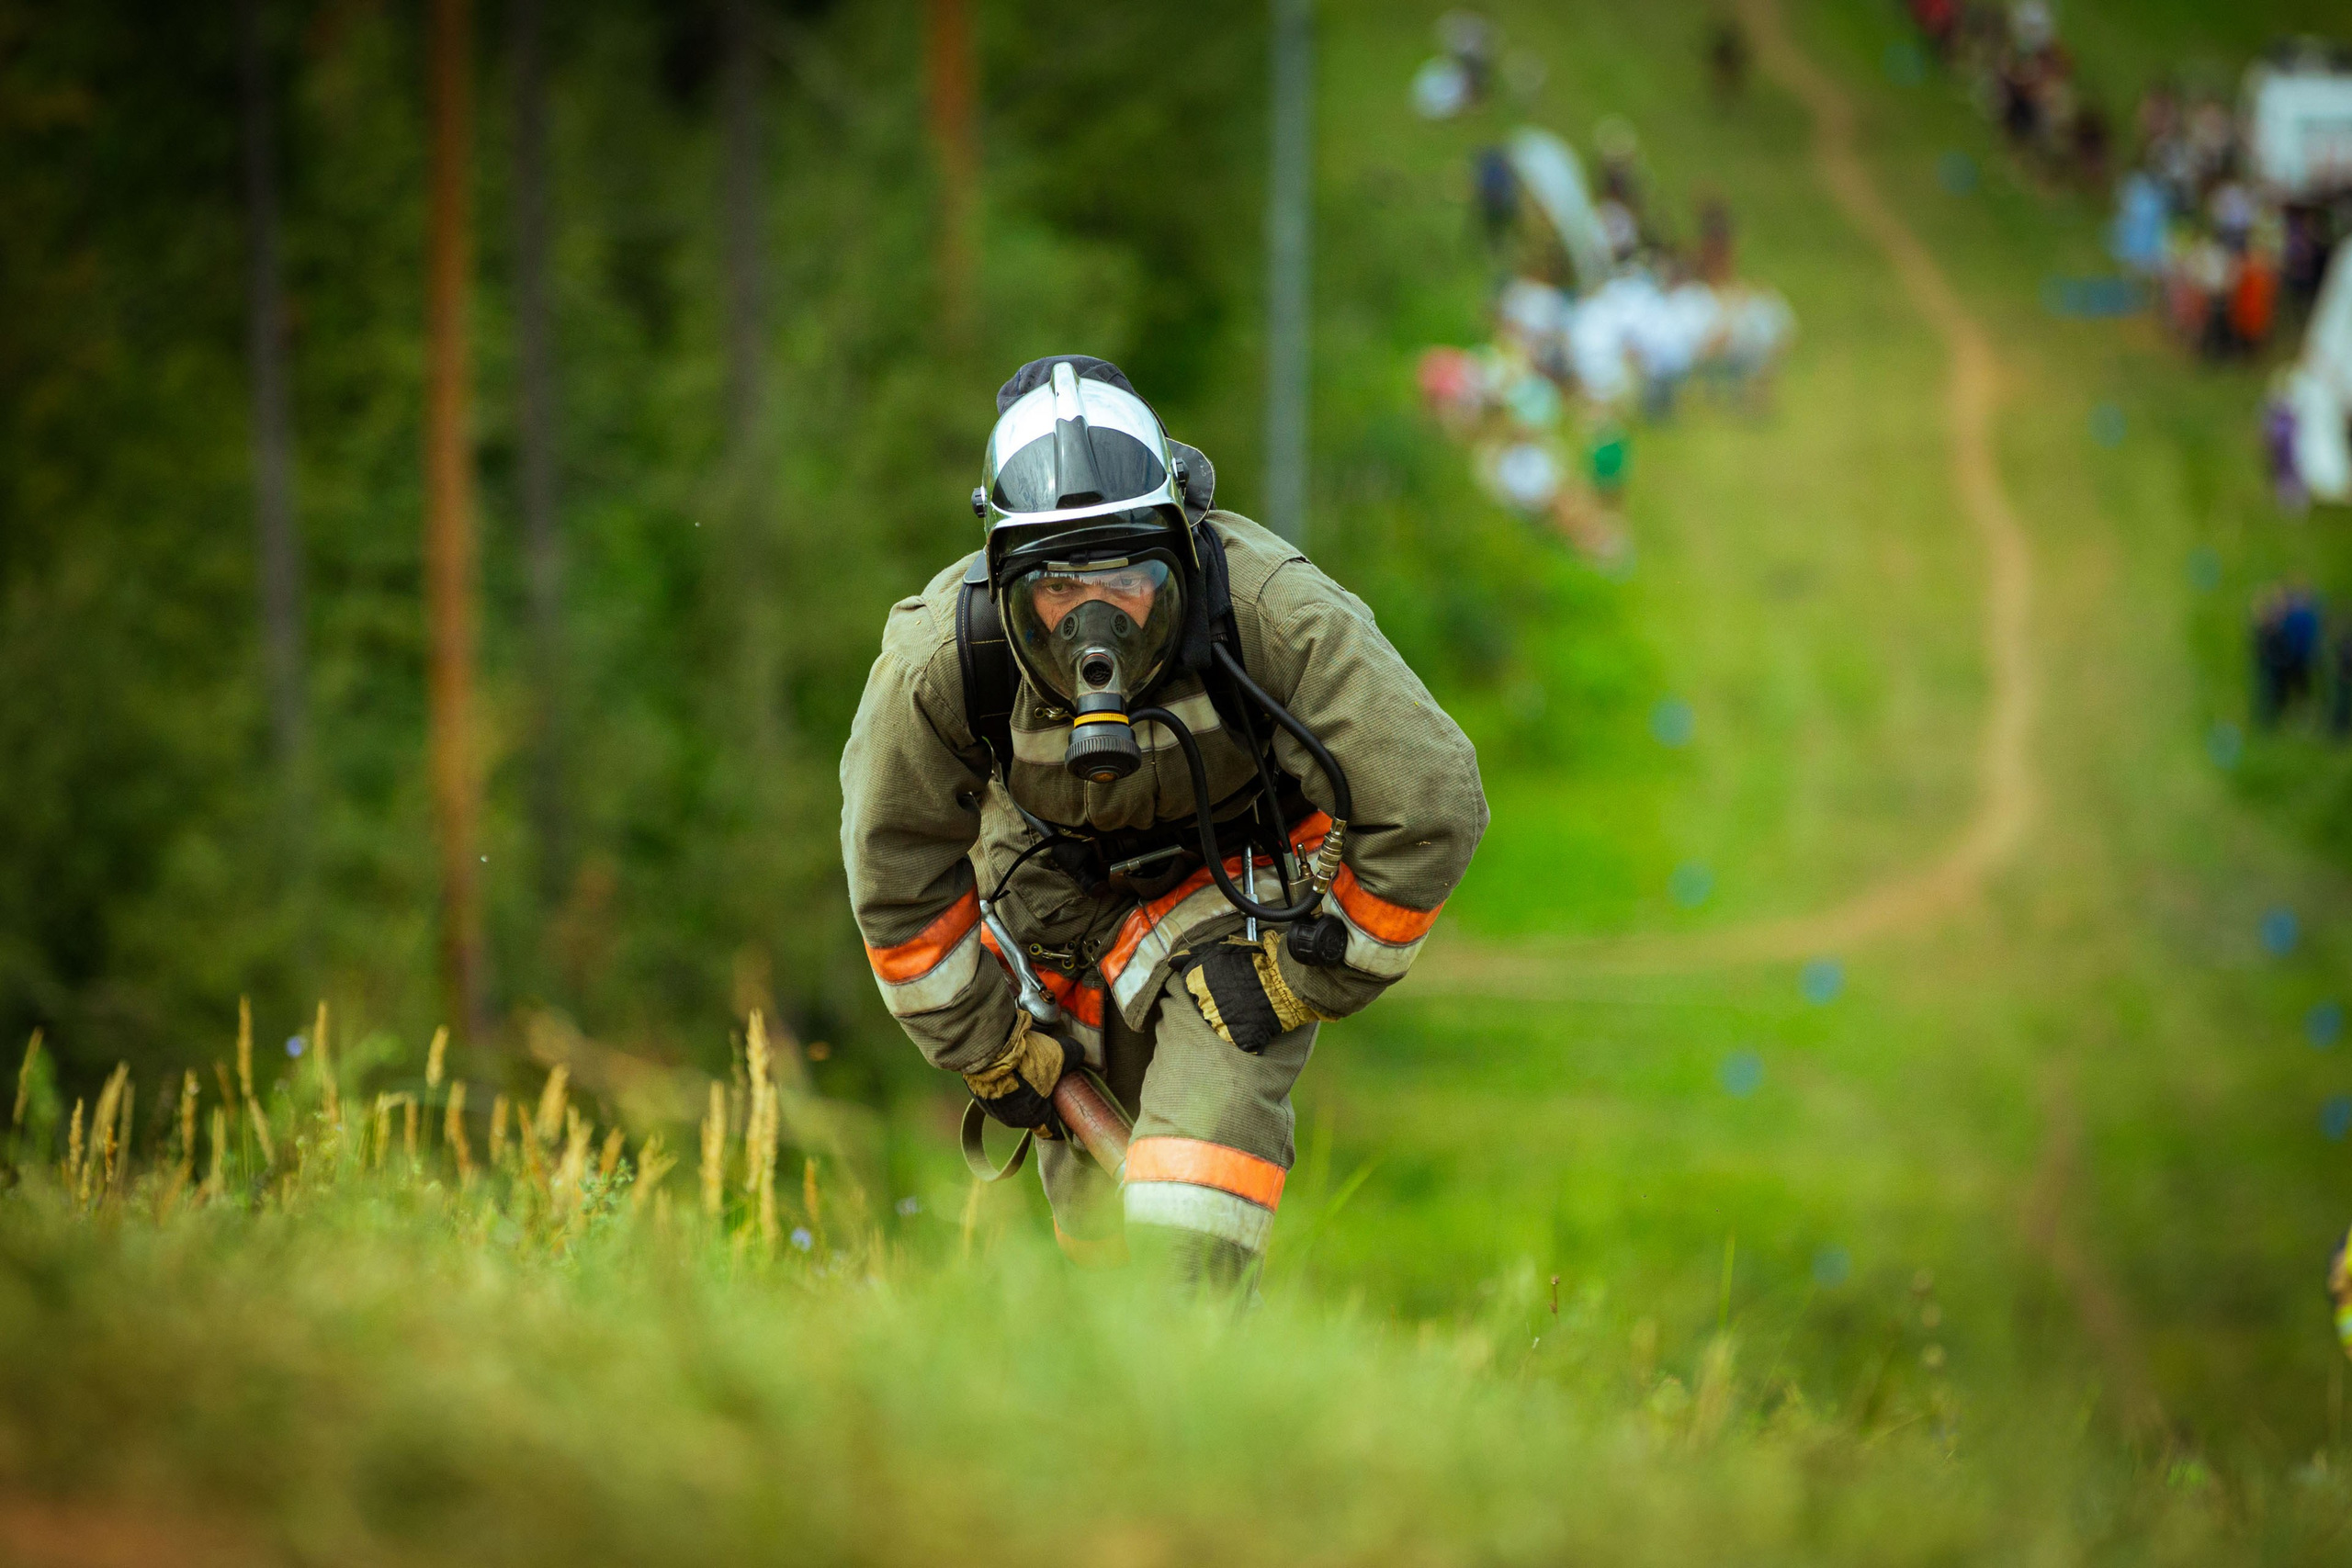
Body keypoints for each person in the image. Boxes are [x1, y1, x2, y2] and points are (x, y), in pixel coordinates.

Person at [840, 356, 1488, 1287]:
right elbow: (895, 878)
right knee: (1097, 1234)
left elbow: (1431, 799)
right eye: (1056, 593)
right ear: (1003, 584)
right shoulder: (939, 660)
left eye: (1127, 581)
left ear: (1179, 549)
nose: (1091, 624)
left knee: (1194, 1188)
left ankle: (1196, 1369)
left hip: (1240, 899)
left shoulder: (1268, 611)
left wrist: (1302, 972)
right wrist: (988, 1042)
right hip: (1050, 926)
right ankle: (1133, 1398)